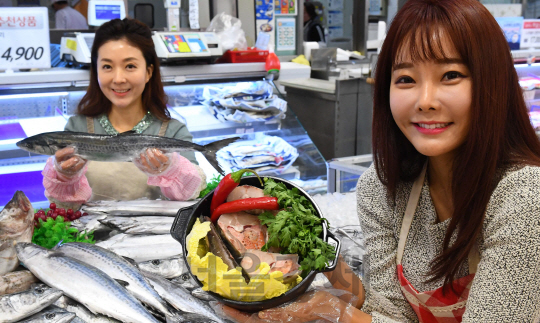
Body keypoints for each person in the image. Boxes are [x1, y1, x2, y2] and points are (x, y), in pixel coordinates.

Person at [219, 0, 540, 321]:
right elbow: (393, 313)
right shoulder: (383, 187)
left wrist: (337, 314)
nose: (425, 101)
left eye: (451, 75)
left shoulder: (525, 195)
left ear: (492, 82)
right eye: (405, 79)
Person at [43, 18, 206, 210]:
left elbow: (192, 196)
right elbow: (64, 208)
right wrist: (64, 177)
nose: (118, 79)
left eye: (130, 66)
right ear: (96, 71)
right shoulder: (77, 127)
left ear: (148, 72)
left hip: (155, 237)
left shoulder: (173, 130)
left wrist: (172, 169)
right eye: (107, 67)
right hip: (89, 238)